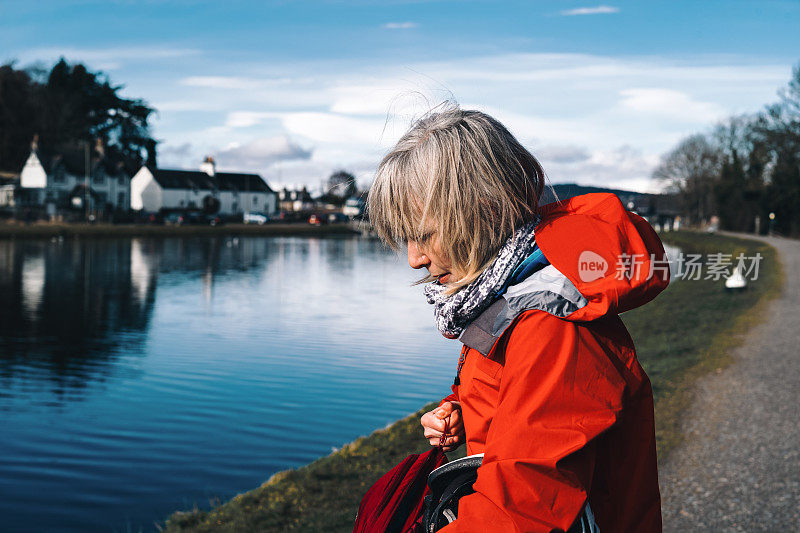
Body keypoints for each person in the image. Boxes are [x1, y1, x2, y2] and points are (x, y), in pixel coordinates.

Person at [367, 107, 670, 532]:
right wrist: (462, 409)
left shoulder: (552, 325)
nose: (415, 260)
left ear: (485, 210)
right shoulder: (512, 295)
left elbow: (523, 508)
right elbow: (518, 396)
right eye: (407, 239)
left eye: (425, 234)